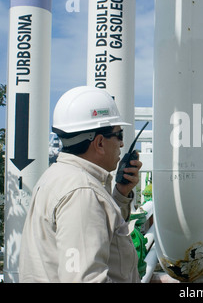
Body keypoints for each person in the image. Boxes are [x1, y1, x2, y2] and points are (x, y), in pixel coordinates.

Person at [19, 86, 142, 283]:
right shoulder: (81, 192)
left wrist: (120, 195)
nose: (121, 144)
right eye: (119, 135)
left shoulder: (57, 177)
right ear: (100, 142)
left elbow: (96, 233)